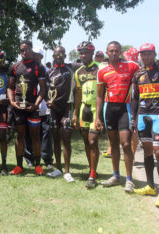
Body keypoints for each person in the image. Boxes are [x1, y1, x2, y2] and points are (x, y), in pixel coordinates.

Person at [131, 43, 159, 207]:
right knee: (148, 150)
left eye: (149, 54)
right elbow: (135, 98)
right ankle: (150, 186)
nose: (145, 57)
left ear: (154, 54)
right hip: (143, 117)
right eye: (143, 54)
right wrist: (133, 119)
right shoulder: (138, 74)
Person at [95, 41, 140, 193]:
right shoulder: (102, 71)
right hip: (110, 110)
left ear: (121, 51)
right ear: (107, 52)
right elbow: (100, 96)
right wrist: (98, 117)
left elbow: (142, 81)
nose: (114, 53)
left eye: (116, 51)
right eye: (111, 51)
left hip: (125, 109)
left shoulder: (132, 66)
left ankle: (129, 179)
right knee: (113, 144)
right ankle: (116, 176)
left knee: (126, 143)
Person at [7, 40, 47, 175]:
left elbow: (43, 89)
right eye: (22, 50)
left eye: (27, 49)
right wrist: (12, 102)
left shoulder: (38, 67)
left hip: (32, 106)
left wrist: (36, 104)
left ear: (31, 50)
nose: (24, 52)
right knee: (20, 136)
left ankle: (37, 165)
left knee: (36, 136)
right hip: (19, 105)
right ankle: (19, 166)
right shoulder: (14, 67)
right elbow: (10, 87)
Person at [45, 46, 78, 182]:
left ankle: (67, 171)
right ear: (53, 55)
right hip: (53, 109)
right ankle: (58, 168)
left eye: (61, 53)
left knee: (66, 139)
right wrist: (48, 101)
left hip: (67, 108)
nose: (58, 55)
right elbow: (47, 90)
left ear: (65, 55)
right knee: (56, 139)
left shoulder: (71, 68)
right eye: (56, 53)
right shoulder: (50, 72)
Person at [72, 41, 100, 188]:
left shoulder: (100, 69)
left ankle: (93, 175)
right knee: (86, 142)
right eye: (81, 53)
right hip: (84, 109)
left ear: (92, 53)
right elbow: (77, 94)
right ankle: (91, 170)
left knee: (93, 141)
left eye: (86, 52)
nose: (83, 55)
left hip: (96, 109)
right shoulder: (78, 72)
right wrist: (75, 113)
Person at [24, 47, 53, 169]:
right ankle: (29, 158)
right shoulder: (27, 69)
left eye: (37, 55)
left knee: (46, 133)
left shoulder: (48, 71)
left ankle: (47, 159)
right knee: (28, 133)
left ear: (41, 57)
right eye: (33, 54)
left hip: (44, 107)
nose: (34, 56)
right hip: (30, 107)